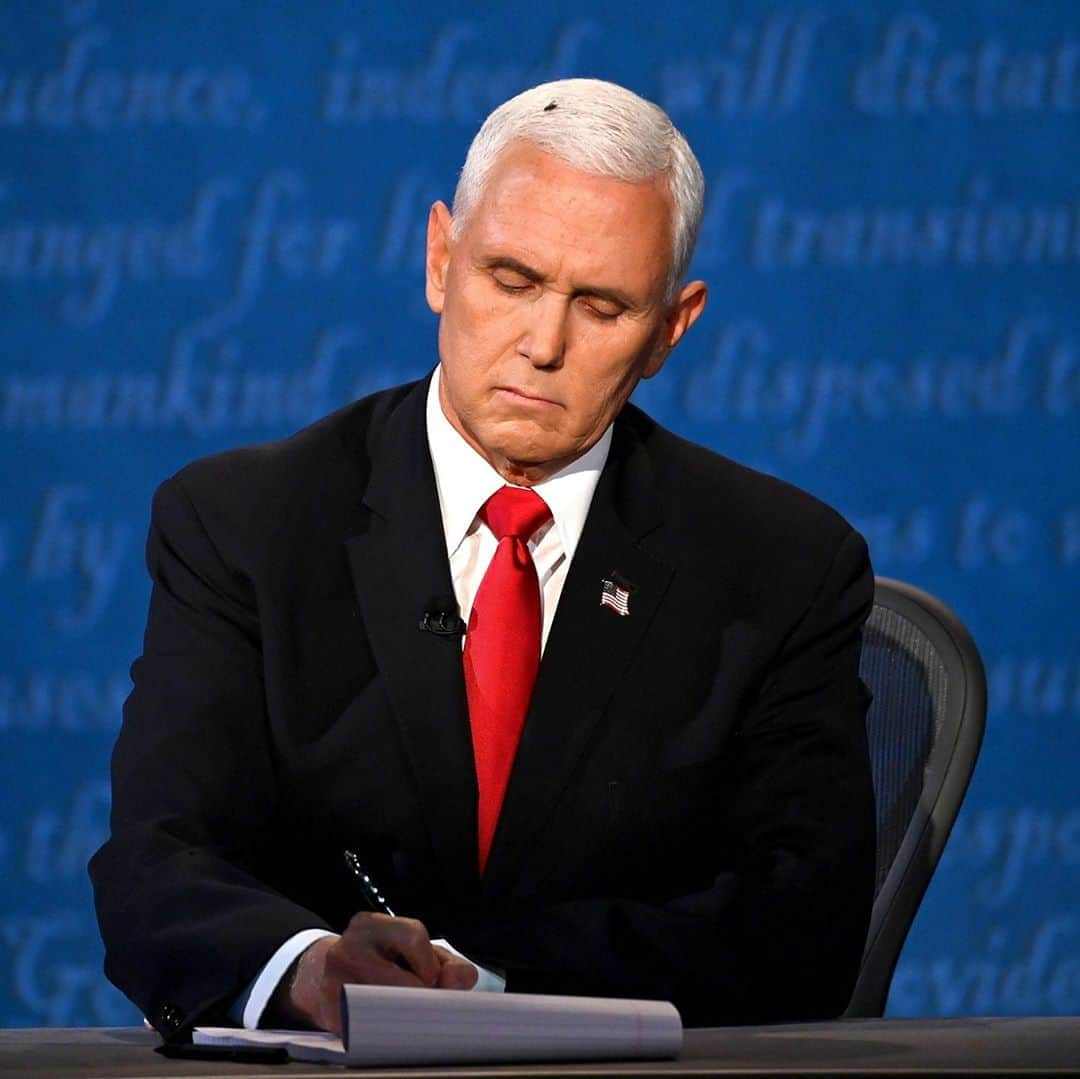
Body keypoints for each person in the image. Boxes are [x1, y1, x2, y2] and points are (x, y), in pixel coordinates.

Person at [89, 78, 876, 1040]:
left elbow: (805, 923)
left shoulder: (782, 567)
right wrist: (314, 971)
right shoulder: (246, 525)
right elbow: (157, 864)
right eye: (512, 280)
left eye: (602, 306)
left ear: (672, 329)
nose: (543, 344)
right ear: (439, 258)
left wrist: (492, 985)